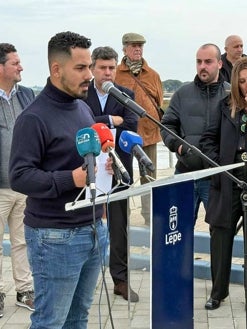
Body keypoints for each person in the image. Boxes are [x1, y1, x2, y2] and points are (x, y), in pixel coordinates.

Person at [9, 31, 111, 328]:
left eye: (90, 67)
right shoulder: (33, 118)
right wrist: (72, 179)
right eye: (81, 68)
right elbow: (20, 177)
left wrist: (104, 161)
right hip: (55, 238)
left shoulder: (82, 107)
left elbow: (83, 155)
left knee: (78, 319)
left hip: (93, 227)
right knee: (50, 322)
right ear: (56, 69)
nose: (90, 75)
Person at [200, 56, 247, 312]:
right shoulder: (225, 106)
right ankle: (217, 292)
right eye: (241, 81)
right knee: (220, 237)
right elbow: (208, 140)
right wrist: (217, 166)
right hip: (228, 181)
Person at [85, 46, 139, 302]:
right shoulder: (81, 94)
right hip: (86, 170)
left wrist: (115, 161)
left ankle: (121, 280)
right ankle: (83, 278)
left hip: (117, 169)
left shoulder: (126, 94)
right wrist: (110, 118)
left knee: (120, 226)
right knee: (85, 224)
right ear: (93, 68)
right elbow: (79, 124)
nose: (108, 73)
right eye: (103, 68)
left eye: (111, 68)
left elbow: (131, 126)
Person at [160, 43, 230, 224]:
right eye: (199, 62)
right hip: (185, 174)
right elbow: (167, 125)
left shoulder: (231, 94)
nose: (202, 66)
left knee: (220, 231)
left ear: (220, 63)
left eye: (208, 61)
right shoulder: (182, 93)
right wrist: (179, 146)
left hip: (216, 178)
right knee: (177, 231)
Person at [0, 43, 35, 317]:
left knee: (22, 241)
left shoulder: (26, 95)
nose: (21, 67)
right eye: (15, 63)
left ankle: (25, 291)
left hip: (23, 185)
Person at [115, 32, 163, 225]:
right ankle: (121, 217)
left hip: (149, 134)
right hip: (125, 134)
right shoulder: (117, 74)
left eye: (140, 46)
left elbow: (159, 101)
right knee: (123, 175)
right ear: (124, 48)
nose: (137, 49)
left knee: (149, 177)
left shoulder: (153, 75)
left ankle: (150, 217)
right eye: (133, 45)